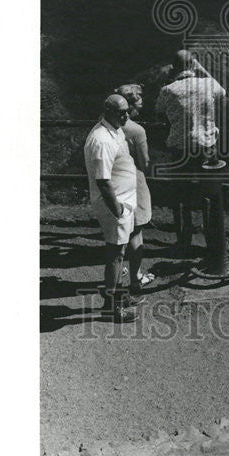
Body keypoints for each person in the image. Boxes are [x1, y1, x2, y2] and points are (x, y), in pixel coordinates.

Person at [155, 49, 226, 254]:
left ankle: (184, 240)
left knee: (181, 195)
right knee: (209, 194)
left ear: (175, 68)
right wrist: (201, 69)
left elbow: (159, 109)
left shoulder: (169, 90)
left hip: (180, 148)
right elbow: (222, 92)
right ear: (193, 66)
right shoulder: (208, 85)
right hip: (206, 147)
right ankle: (213, 242)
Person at [83, 94, 144, 321]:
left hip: (122, 201)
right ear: (107, 111)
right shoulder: (101, 140)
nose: (126, 115)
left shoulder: (115, 129)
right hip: (113, 204)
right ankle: (111, 307)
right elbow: (102, 181)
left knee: (120, 250)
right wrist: (117, 209)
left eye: (127, 110)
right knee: (116, 254)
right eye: (121, 112)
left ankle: (117, 296)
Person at [114, 83, 155, 290]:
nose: (141, 107)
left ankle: (117, 271)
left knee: (118, 230)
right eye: (138, 104)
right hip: (134, 181)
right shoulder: (137, 130)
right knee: (136, 231)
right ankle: (136, 278)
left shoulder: (107, 125)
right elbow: (144, 161)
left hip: (114, 181)